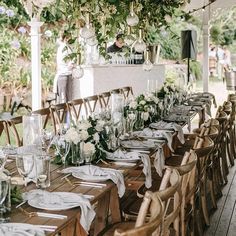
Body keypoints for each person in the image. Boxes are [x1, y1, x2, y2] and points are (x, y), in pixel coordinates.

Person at [53, 30, 74, 103]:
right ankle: (64, 114)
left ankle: (68, 114)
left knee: (68, 100)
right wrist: (72, 64)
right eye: (69, 37)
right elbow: (67, 62)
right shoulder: (63, 48)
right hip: (63, 75)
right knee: (64, 100)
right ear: (65, 38)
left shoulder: (67, 47)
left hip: (67, 74)